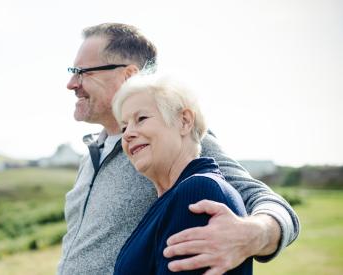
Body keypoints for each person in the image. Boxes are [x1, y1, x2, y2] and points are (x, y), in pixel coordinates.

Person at [58, 23, 299, 275]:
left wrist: (255, 235)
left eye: (82, 72)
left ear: (129, 75)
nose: (71, 83)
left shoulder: (174, 140)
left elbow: (266, 202)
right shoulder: (92, 154)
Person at [112, 73, 252, 274]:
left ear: (184, 121)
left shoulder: (197, 192)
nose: (127, 134)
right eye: (124, 127)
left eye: (141, 118)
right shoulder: (171, 199)